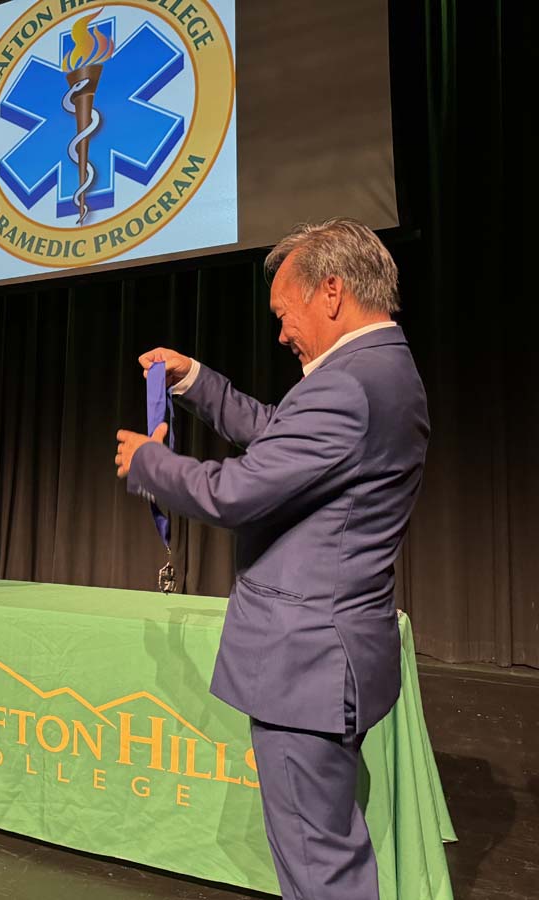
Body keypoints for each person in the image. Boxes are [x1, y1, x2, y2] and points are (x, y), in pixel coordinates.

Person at [116, 219, 429, 900]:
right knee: (325, 855)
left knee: (320, 869)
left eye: (285, 313)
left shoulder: (348, 384)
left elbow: (237, 492)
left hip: (305, 662)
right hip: (332, 653)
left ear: (333, 292)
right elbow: (277, 436)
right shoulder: (380, 369)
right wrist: (196, 379)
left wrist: (149, 463)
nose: (281, 332)